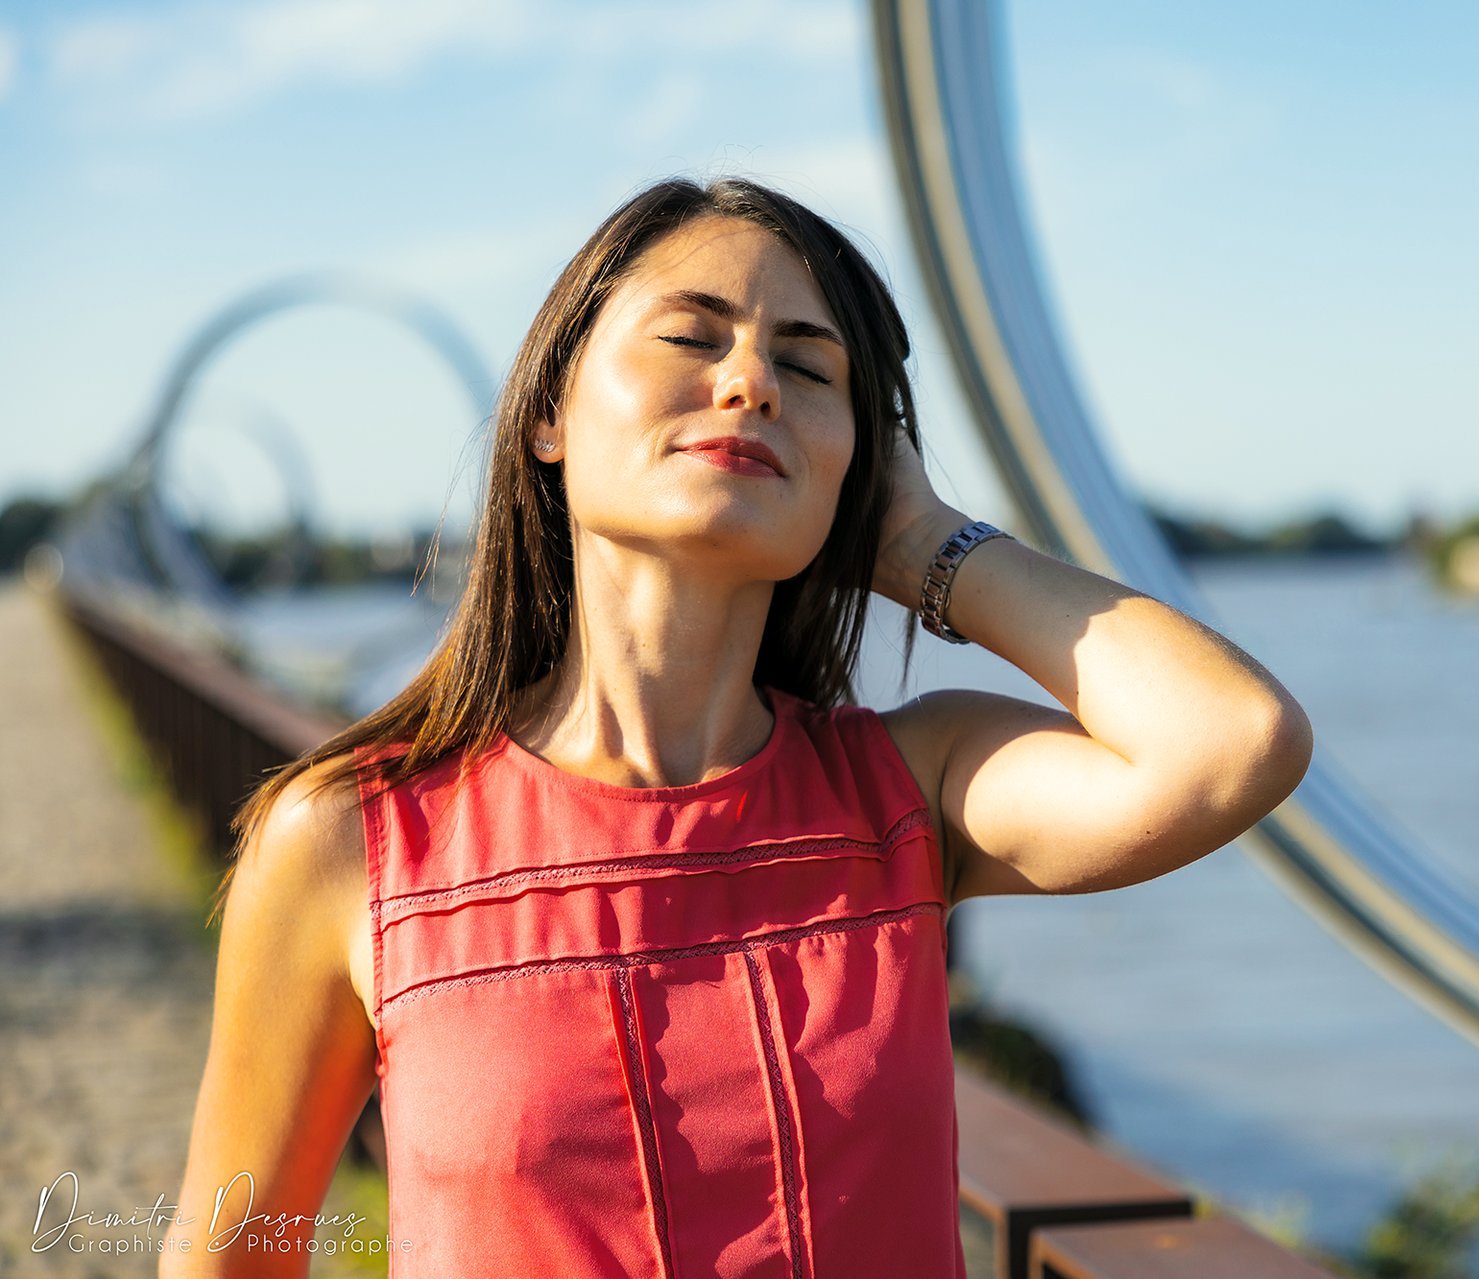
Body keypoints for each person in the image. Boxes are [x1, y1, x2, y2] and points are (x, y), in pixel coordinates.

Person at [161, 175, 1312, 1277]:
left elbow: (1232, 741)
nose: (751, 382)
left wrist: (923, 544)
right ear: (551, 410)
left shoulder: (906, 792)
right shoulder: (352, 842)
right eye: (692, 336)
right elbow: (228, 1249)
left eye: (811, 369)